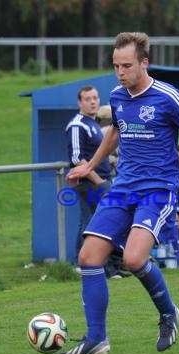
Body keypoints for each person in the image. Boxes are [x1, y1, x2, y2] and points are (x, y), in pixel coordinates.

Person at [61, 32, 179, 354]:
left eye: (126, 65)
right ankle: (97, 339)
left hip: (158, 189)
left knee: (133, 258)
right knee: (88, 257)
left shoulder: (167, 96)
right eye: (116, 66)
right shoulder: (117, 96)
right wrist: (90, 166)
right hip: (124, 187)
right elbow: (115, 131)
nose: (120, 72)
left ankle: (169, 313)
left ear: (144, 63)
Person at [66, 86, 113, 261]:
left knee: (94, 220)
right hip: (89, 181)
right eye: (87, 99)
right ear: (79, 102)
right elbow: (77, 158)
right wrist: (99, 181)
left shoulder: (92, 123)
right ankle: (83, 262)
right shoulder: (77, 125)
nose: (93, 102)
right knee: (92, 221)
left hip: (101, 179)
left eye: (95, 98)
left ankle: (102, 264)